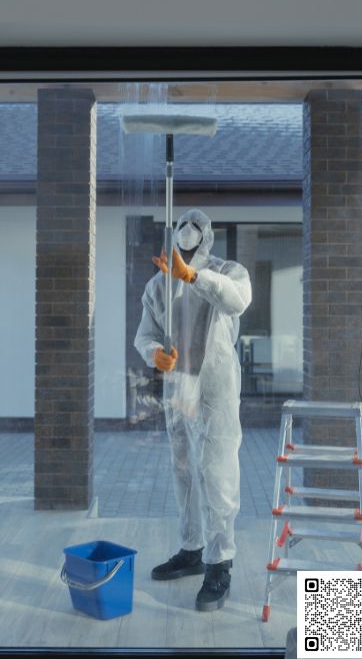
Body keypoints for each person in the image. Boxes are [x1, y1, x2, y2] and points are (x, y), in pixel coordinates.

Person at [134, 208, 252, 611]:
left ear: (208, 235)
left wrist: (193, 276)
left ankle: (220, 562)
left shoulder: (228, 271)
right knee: (183, 469)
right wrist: (154, 354)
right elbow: (144, 335)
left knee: (218, 472)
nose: (188, 231)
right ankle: (191, 549)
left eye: (195, 226)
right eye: (183, 225)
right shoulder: (158, 283)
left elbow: (237, 300)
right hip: (180, 387)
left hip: (216, 386)